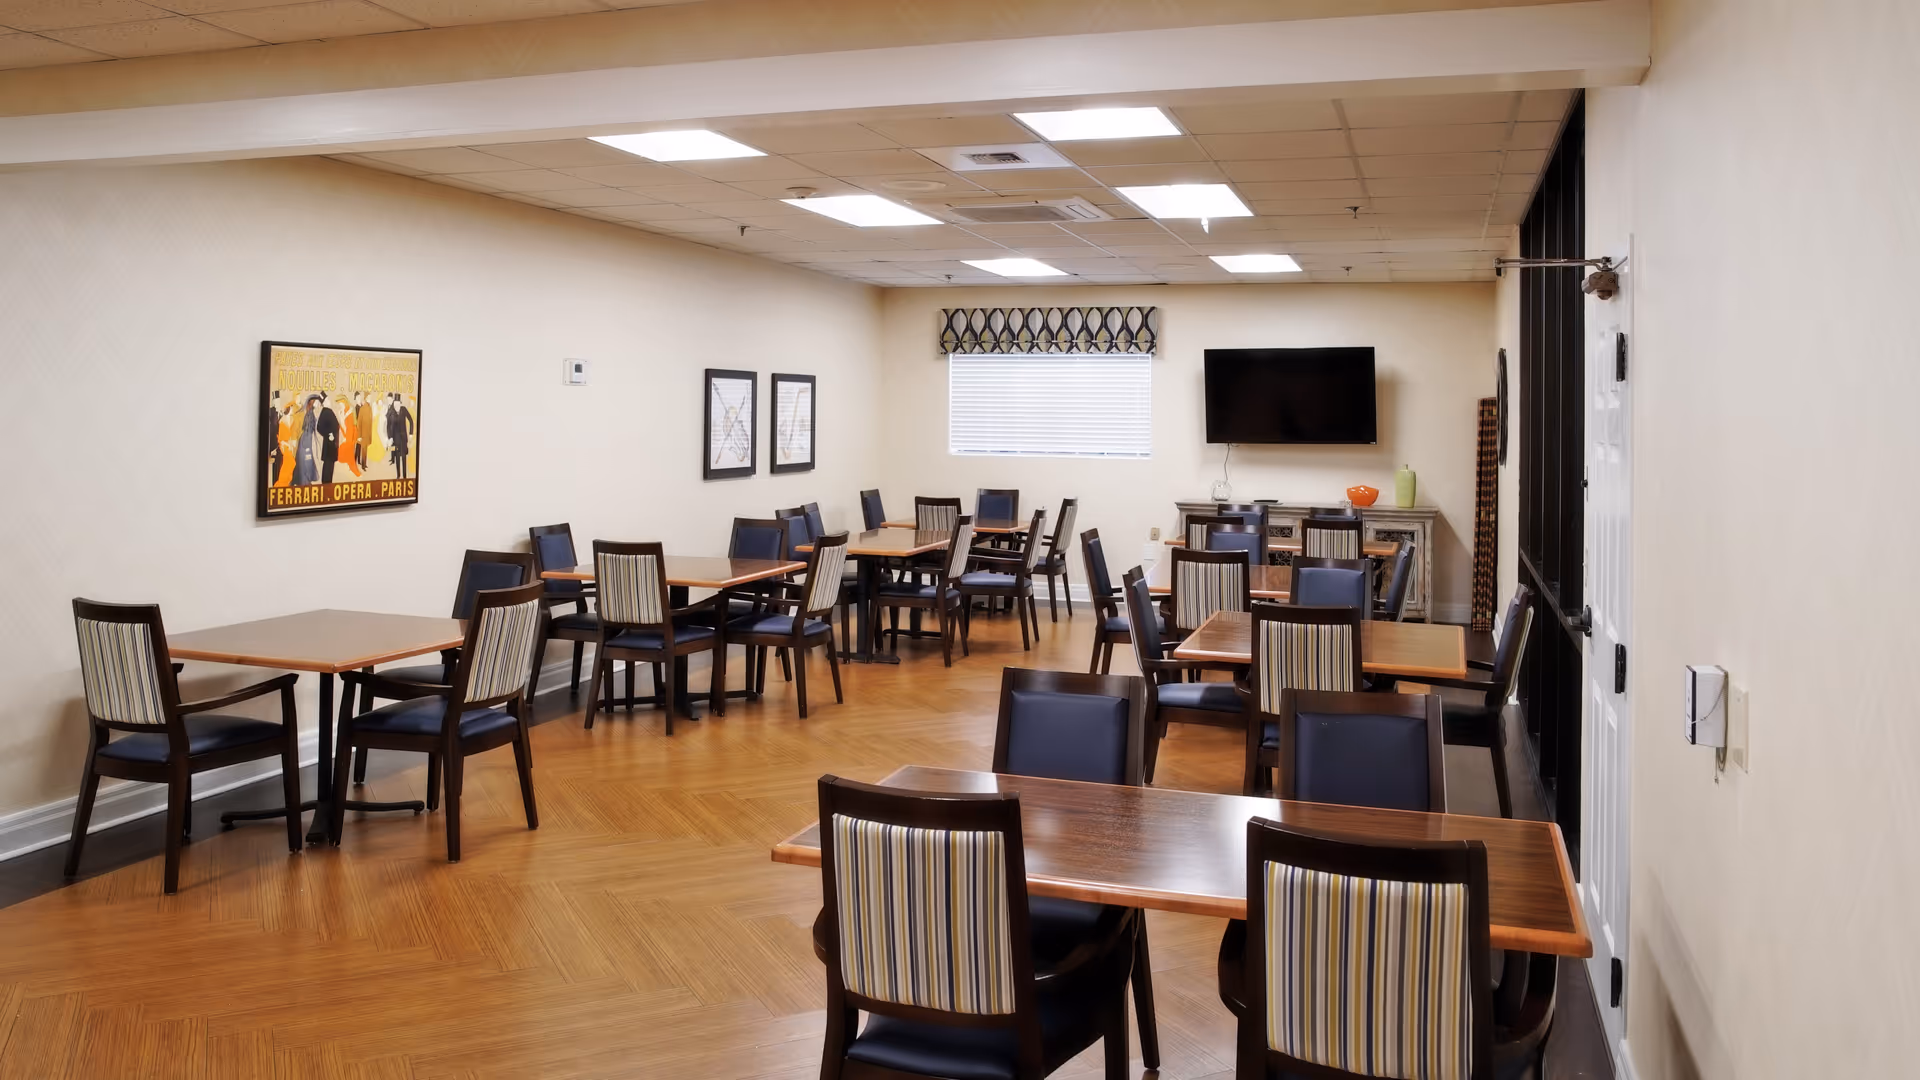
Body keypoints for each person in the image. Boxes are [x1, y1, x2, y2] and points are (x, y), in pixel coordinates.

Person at [292, 395, 321, 486]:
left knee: (305, 461)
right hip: (305, 441)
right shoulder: (308, 414)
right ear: (312, 402)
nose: (319, 404)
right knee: (305, 461)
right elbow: (307, 430)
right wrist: (307, 446)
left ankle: (304, 481)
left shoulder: (310, 412)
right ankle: (304, 482)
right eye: (317, 402)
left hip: (306, 440)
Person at [387, 392, 414, 480]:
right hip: (395, 440)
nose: (396, 405)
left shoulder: (404, 409)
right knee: (397, 458)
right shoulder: (391, 413)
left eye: (398, 403)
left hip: (403, 439)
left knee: (404, 458)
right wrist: (390, 437)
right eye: (395, 403)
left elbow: (411, 421)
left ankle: (405, 476)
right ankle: (398, 476)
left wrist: (411, 434)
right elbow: (388, 426)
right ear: (394, 403)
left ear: (400, 403)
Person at [316, 391, 341, 485]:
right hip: (329, 445)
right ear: (324, 403)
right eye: (327, 400)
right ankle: (326, 485)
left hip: (332, 445)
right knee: (328, 466)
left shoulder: (329, 411)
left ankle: (328, 485)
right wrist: (328, 434)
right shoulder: (325, 412)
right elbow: (319, 427)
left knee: (330, 466)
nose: (329, 401)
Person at [265, 390, 283, 490]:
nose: (278, 402)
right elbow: (271, 431)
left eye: (279, 400)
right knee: (275, 470)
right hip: (274, 445)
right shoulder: (271, 413)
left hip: (281, 445)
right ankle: (275, 488)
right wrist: (271, 449)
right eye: (276, 400)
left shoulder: (280, 412)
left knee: (280, 467)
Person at [352, 391, 373, 471]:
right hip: (361, 432)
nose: (370, 399)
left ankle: (362, 463)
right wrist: (359, 435)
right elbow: (359, 422)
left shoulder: (369, 407)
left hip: (366, 432)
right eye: (369, 397)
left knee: (364, 449)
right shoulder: (361, 408)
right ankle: (359, 464)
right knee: (360, 448)